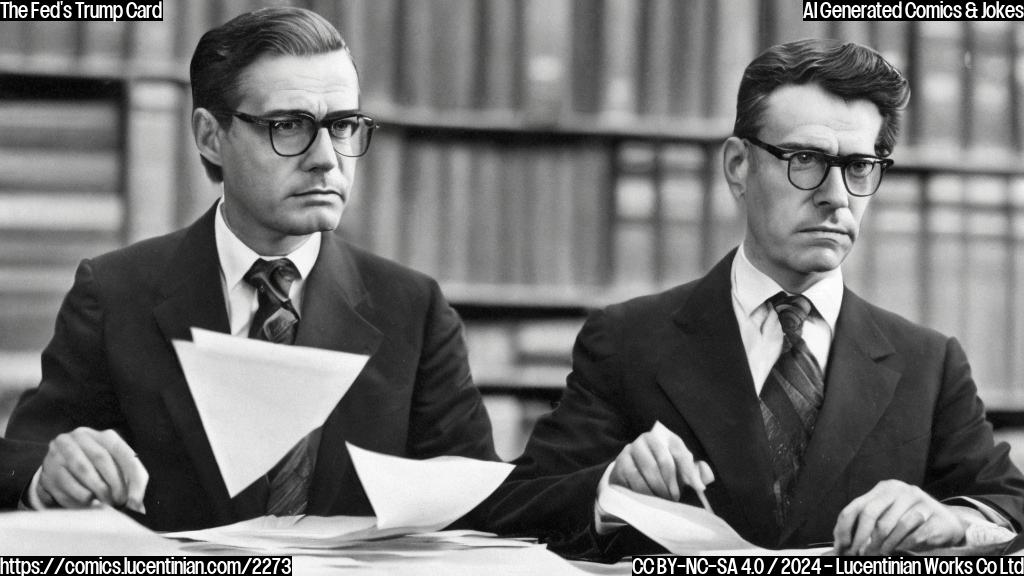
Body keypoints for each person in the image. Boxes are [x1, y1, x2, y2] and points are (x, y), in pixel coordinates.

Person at [477, 38, 1024, 558]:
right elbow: (516, 505)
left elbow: (1010, 507)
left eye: (860, 167)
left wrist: (952, 520)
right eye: (805, 159)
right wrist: (609, 487)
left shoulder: (928, 362)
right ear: (739, 166)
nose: (836, 198)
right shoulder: (626, 341)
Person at [1, 6, 497, 531]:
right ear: (211, 136)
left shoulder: (413, 308)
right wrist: (49, 472)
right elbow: (22, 457)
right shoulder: (114, 293)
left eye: (344, 125)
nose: (327, 158)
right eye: (289, 125)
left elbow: (478, 502)